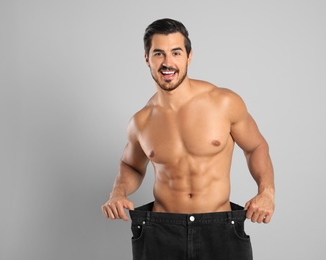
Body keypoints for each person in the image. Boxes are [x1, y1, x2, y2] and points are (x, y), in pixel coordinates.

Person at [102, 18, 275, 260]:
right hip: (161, 229)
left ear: (189, 57)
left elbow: (256, 146)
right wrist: (118, 192)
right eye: (158, 54)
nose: (168, 63)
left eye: (176, 52)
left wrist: (266, 192)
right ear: (146, 59)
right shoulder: (141, 121)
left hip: (219, 228)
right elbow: (130, 165)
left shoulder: (224, 103)